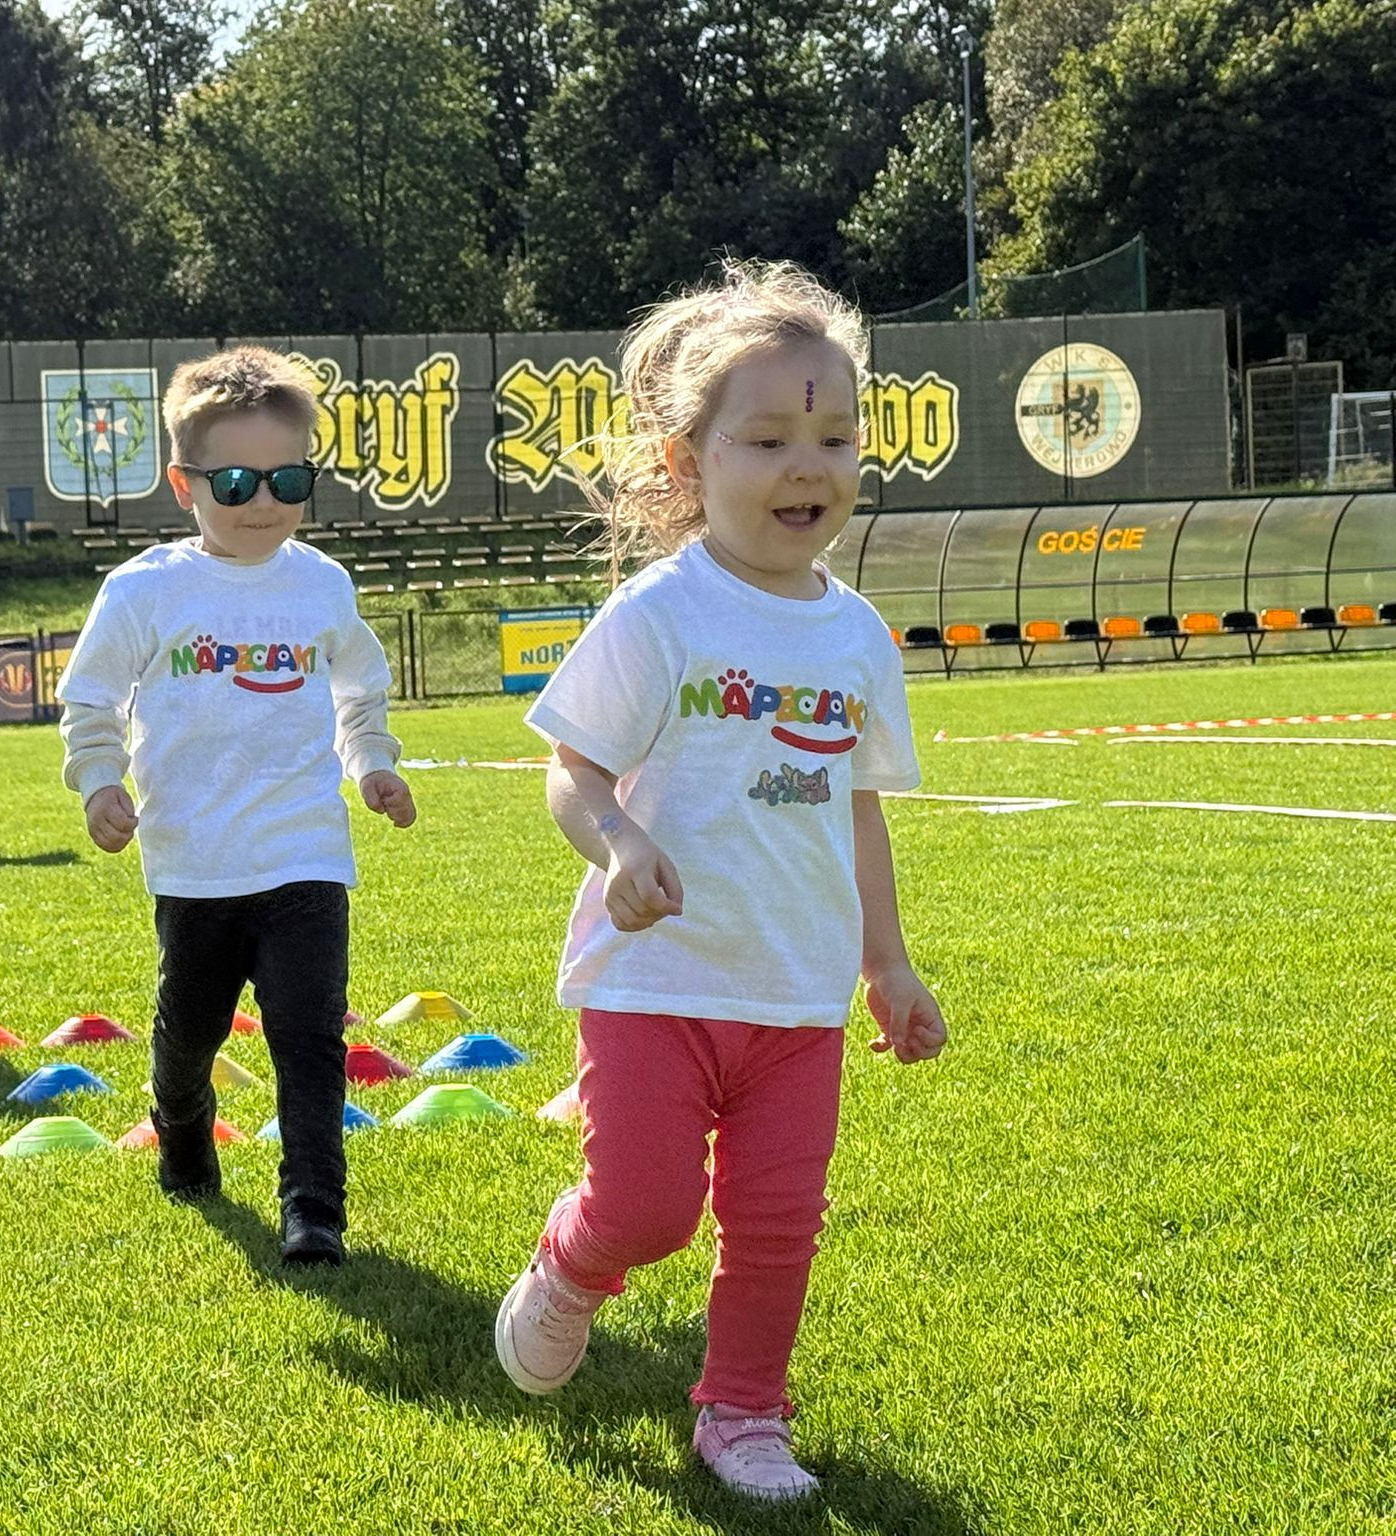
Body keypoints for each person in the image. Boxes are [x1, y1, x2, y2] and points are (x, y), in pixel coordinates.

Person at [493, 261, 948, 1501]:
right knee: (647, 1210)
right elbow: (570, 770)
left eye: (834, 436)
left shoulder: (856, 636)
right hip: (654, 981)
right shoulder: (661, 615)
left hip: (796, 995)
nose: (808, 465)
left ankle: (743, 1412)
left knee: (776, 1226)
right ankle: (571, 1264)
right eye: (768, 439)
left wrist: (886, 963)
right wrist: (617, 844)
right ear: (686, 461)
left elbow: (855, 807)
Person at [58, 347, 416, 1266]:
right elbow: (91, 700)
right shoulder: (145, 591)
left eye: (288, 480)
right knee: (190, 1035)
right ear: (184, 484)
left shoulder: (322, 585)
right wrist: (100, 781)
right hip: (194, 864)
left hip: (305, 855)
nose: (263, 502)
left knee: (308, 1037)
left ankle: (314, 1210)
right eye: (235, 483)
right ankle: (181, 1131)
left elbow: (360, 692)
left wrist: (372, 764)